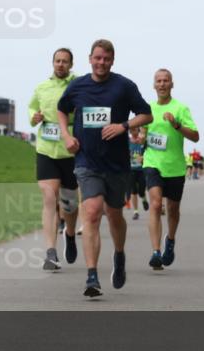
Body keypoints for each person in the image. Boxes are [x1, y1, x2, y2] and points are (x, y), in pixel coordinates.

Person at [57, 40, 153, 297]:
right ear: (90, 59)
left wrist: (124, 125)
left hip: (117, 164)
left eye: (106, 59)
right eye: (97, 58)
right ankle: (92, 276)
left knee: (114, 215)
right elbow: (61, 110)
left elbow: (147, 114)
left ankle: (119, 256)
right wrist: (66, 136)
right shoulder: (77, 86)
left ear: (112, 61)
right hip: (86, 161)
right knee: (91, 212)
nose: (101, 63)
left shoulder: (124, 86)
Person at [28, 48, 80, 270]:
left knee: (69, 203)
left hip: (71, 148)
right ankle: (50, 252)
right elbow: (32, 110)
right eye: (57, 61)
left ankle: (69, 234)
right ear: (52, 63)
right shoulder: (42, 87)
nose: (60, 64)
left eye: (65, 61)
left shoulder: (78, 85)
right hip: (46, 148)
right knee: (49, 196)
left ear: (71, 64)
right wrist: (34, 117)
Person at [143, 69, 199, 270]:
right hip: (152, 163)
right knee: (156, 205)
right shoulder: (147, 108)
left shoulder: (180, 108)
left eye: (166, 81)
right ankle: (156, 252)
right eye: (158, 81)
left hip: (175, 167)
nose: (162, 84)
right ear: (154, 85)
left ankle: (171, 240)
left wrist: (176, 125)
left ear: (172, 84)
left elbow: (195, 136)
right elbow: (142, 134)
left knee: (173, 210)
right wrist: (141, 137)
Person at [126, 126, 149, 220]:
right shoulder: (127, 141)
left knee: (141, 190)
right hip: (131, 169)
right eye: (130, 130)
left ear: (138, 130)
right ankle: (136, 212)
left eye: (134, 129)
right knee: (133, 191)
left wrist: (143, 158)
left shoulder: (143, 141)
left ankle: (144, 199)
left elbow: (148, 152)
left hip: (142, 169)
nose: (132, 131)